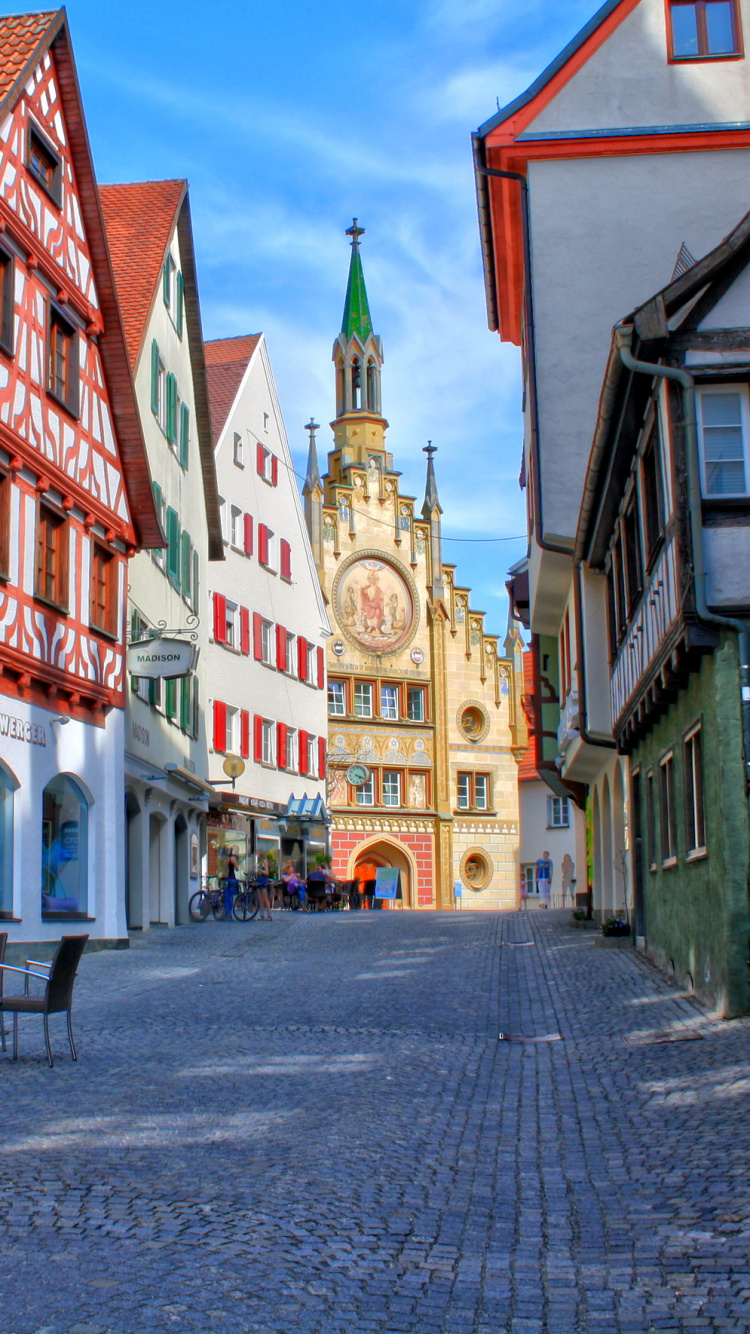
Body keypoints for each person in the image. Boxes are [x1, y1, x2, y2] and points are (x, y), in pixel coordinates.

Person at [223, 848, 239, 921]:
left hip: (226, 878)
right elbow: (237, 868)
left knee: (227, 896)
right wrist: (236, 864)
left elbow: (225, 869)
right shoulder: (233, 859)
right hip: (232, 878)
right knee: (231, 897)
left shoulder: (227, 859)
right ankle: (230, 915)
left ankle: (226, 913)